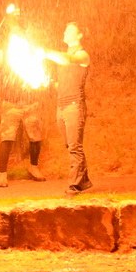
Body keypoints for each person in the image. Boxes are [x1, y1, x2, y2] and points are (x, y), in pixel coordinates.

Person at [0, 13, 50, 187]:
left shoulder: (31, 52)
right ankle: (2, 174)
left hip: (30, 103)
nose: (16, 35)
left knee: (35, 137)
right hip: (11, 104)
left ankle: (33, 168)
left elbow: (41, 74)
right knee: (7, 139)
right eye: (14, 33)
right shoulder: (4, 54)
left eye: (19, 32)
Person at [43, 23, 92, 197]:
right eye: (64, 29)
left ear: (79, 35)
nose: (65, 32)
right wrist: (46, 82)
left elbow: (67, 59)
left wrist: (44, 52)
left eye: (70, 30)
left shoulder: (82, 55)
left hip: (74, 106)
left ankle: (75, 185)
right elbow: (61, 83)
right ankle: (84, 180)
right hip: (61, 105)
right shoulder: (63, 57)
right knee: (69, 144)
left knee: (74, 147)